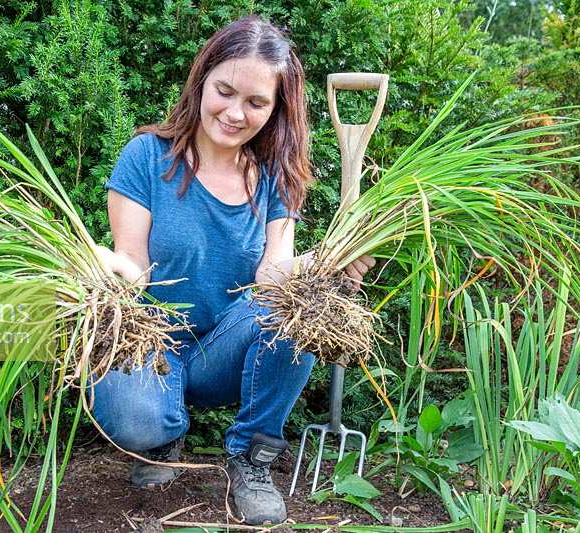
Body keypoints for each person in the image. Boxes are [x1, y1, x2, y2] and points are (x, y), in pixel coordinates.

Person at [93, 15, 375, 525]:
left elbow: (273, 278)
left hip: (226, 347)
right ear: (202, 80)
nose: (234, 113)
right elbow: (132, 266)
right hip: (151, 344)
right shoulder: (146, 157)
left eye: (256, 102)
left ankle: (250, 457)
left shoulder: (275, 176)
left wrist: (329, 259)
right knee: (137, 421)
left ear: (275, 109)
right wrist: (96, 259)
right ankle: (164, 435)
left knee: (295, 314)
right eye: (225, 91)